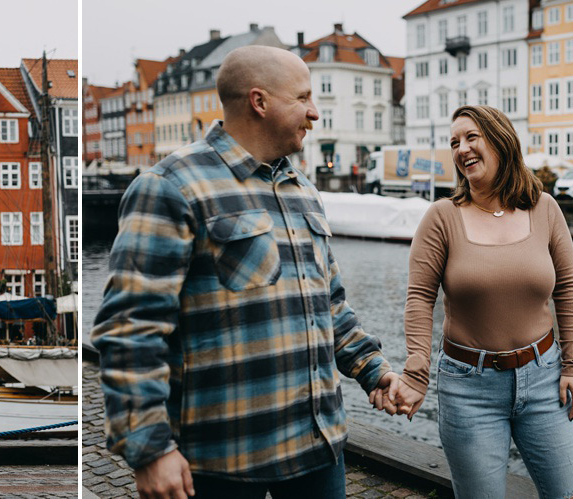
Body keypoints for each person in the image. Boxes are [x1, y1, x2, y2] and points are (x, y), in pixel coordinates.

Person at [91, 45, 401, 499]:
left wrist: (375, 371)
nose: (314, 113)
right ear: (259, 102)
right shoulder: (172, 186)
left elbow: (329, 303)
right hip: (224, 462)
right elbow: (130, 329)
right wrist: (150, 448)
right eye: (303, 98)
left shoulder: (303, 190)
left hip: (318, 450)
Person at [388, 105, 573, 498]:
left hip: (546, 378)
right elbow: (418, 299)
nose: (461, 148)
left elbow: (567, 287)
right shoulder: (442, 216)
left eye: (470, 137)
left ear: (500, 139)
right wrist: (416, 372)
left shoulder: (544, 208)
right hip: (468, 388)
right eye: (454, 142)